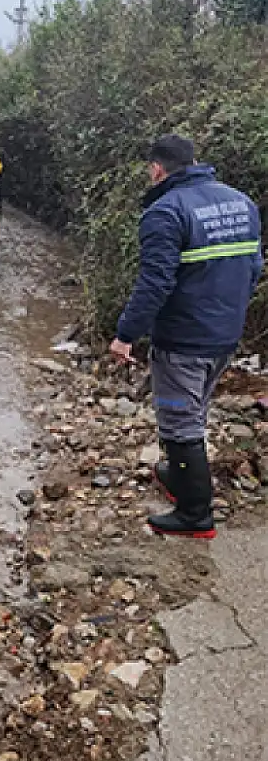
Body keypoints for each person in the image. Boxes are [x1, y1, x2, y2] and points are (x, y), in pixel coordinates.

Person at [110, 134, 263, 538]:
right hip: (224, 335)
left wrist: (126, 334)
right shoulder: (240, 202)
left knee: (180, 421)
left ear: (157, 169)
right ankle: (178, 477)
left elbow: (154, 283)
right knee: (193, 412)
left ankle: (195, 515)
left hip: (184, 341)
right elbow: (253, 269)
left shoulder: (165, 212)